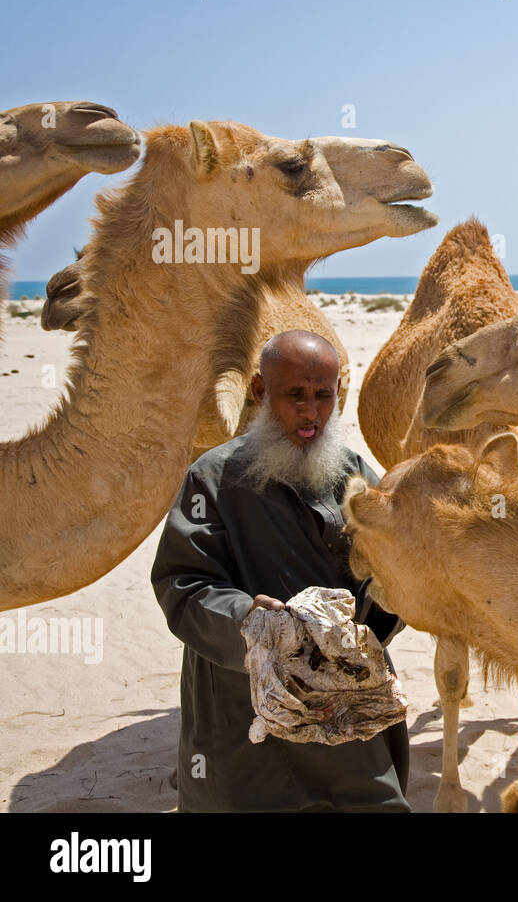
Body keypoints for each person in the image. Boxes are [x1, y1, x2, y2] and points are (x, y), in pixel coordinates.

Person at [152, 330, 409, 811]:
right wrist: (248, 619)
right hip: (244, 702)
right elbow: (182, 581)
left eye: (322, 395)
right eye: (294, 395)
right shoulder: (212, 477)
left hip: (343, 697)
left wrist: (367, 623)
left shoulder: (353, 472)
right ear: (259, 391)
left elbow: (393, 570)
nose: (310, 412)